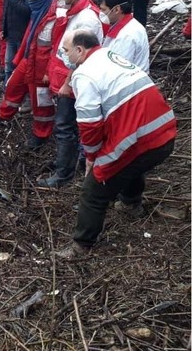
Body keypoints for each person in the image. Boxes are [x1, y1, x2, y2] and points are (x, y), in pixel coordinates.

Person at [54, 31, 176, 259]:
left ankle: (81, 246)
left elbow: (89, 124)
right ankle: (131, 204)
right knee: (130, 163)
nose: (64, 54)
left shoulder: (84, 75)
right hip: (163, 130)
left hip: (140, 133)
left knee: (95, 187)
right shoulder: (109, 56)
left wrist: (91, 157)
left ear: (80, 50)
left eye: (66, 50)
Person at [37, 0, 103, 188]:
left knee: (65, 126)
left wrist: (67, 83)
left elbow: (80, 58)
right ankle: (67, 163)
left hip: (73, 83)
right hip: (64, 78)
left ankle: (63, 174)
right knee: (66, 125)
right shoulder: (73, 13)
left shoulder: (87, 20)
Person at [0, 0, 57, 149]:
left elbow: (58, 48)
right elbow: (31, 36)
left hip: (42, 67)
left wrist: (49, 72)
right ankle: (3, 116)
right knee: (13, 85)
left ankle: (40, 135)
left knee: (41, 102)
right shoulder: (40, 9)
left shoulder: (54, 14)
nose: (29, 2)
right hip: (30, 58)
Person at [98, 0, 150, 72]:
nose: (101, 13)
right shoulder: (122, 26)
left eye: (103, 10)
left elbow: (117, 69)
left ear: (117, 9)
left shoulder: (127, 35)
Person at [1, 0, 34, 84]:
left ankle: (19, 97)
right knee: (8, 66)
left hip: (23, 35)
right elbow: (6, 7)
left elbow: (28, 10)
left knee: (21, 67)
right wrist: (3, 28)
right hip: (11, 33)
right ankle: (7, 92)